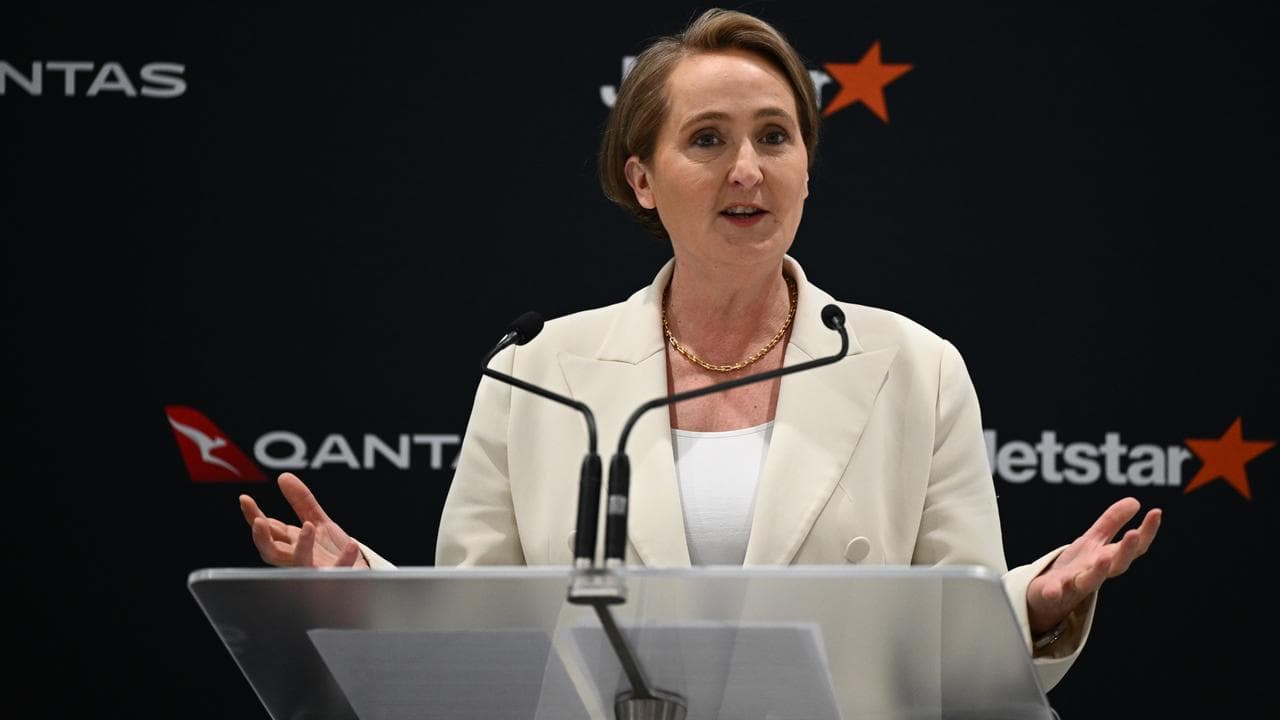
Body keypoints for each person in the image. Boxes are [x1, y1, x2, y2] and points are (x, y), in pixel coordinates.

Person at [239, 7, 1160, 693]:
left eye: (775, 136)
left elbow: (952, 638)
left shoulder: (914, 367)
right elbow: (481, 633)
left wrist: (1034, 605)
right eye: (708, 139)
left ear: (807, 167)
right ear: (642, 178)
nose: (747, 169)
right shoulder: (540, 372)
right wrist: (365, 588)